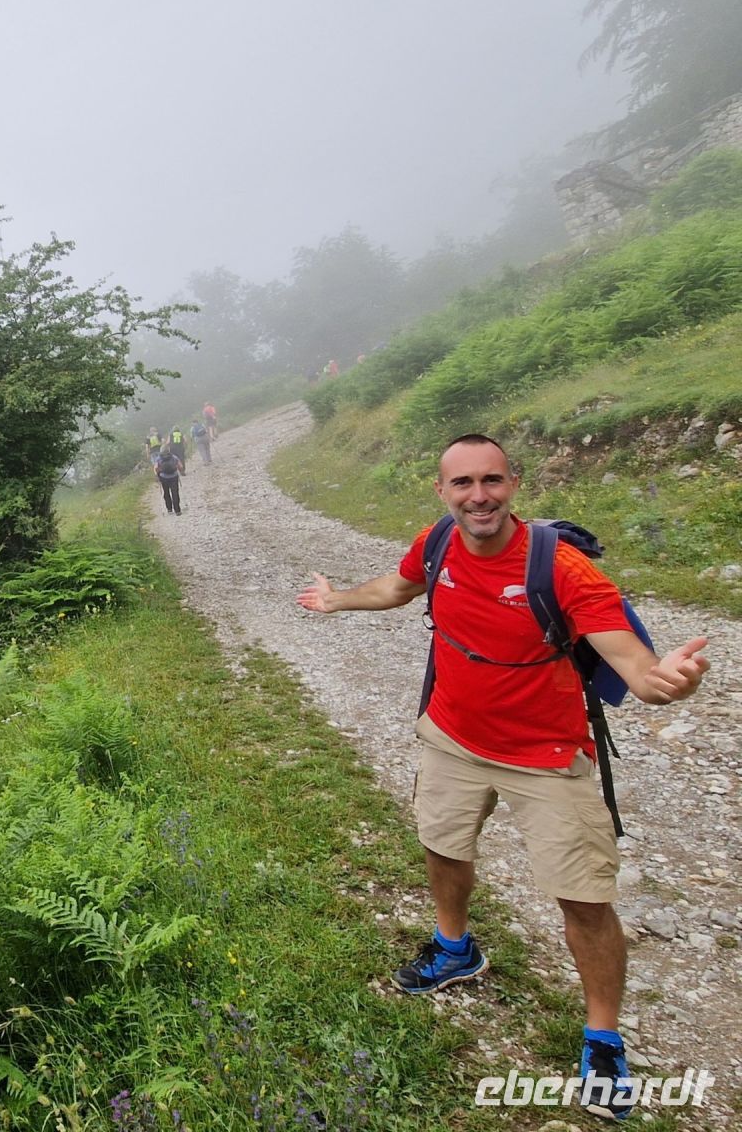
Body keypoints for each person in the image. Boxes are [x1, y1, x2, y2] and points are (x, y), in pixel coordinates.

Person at [295, 433, 710, 1122]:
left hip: (547, 755)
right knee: (443, 846)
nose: (478, 496)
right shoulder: (439, 543)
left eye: (491, 481)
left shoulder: (565, 570)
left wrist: (670, 683)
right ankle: (455, 948)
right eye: (463, 484)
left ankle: (602, 1038)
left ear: (514, 484)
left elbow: (637, 668)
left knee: (583, 898)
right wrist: (337, 599)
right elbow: (399, 586)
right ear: (442, 491)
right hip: (451, 735)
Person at [155, 446, 182, 515]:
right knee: (175, 493)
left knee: (166, 493)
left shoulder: (158, 458)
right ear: (168, 450)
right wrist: (178, 469)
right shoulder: (174, 457)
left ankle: (169, 509)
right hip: (174, 477)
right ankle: (177, 510)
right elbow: (180, 466)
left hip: (163, 478)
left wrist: (157, 475)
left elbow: (156, 468)